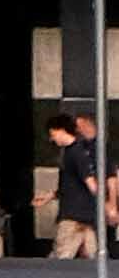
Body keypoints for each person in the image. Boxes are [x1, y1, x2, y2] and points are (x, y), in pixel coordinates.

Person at [50, 101, 102, 267]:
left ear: (61, 130)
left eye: (53, 134)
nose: (52, 138)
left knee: (61, 259)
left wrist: (107, 205)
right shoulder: (77, 152)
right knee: (93, 262)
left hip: (72, 217)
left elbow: (90, 182)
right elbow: (73, 184)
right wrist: (50, 196)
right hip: (86, 217)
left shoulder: (75, 153)